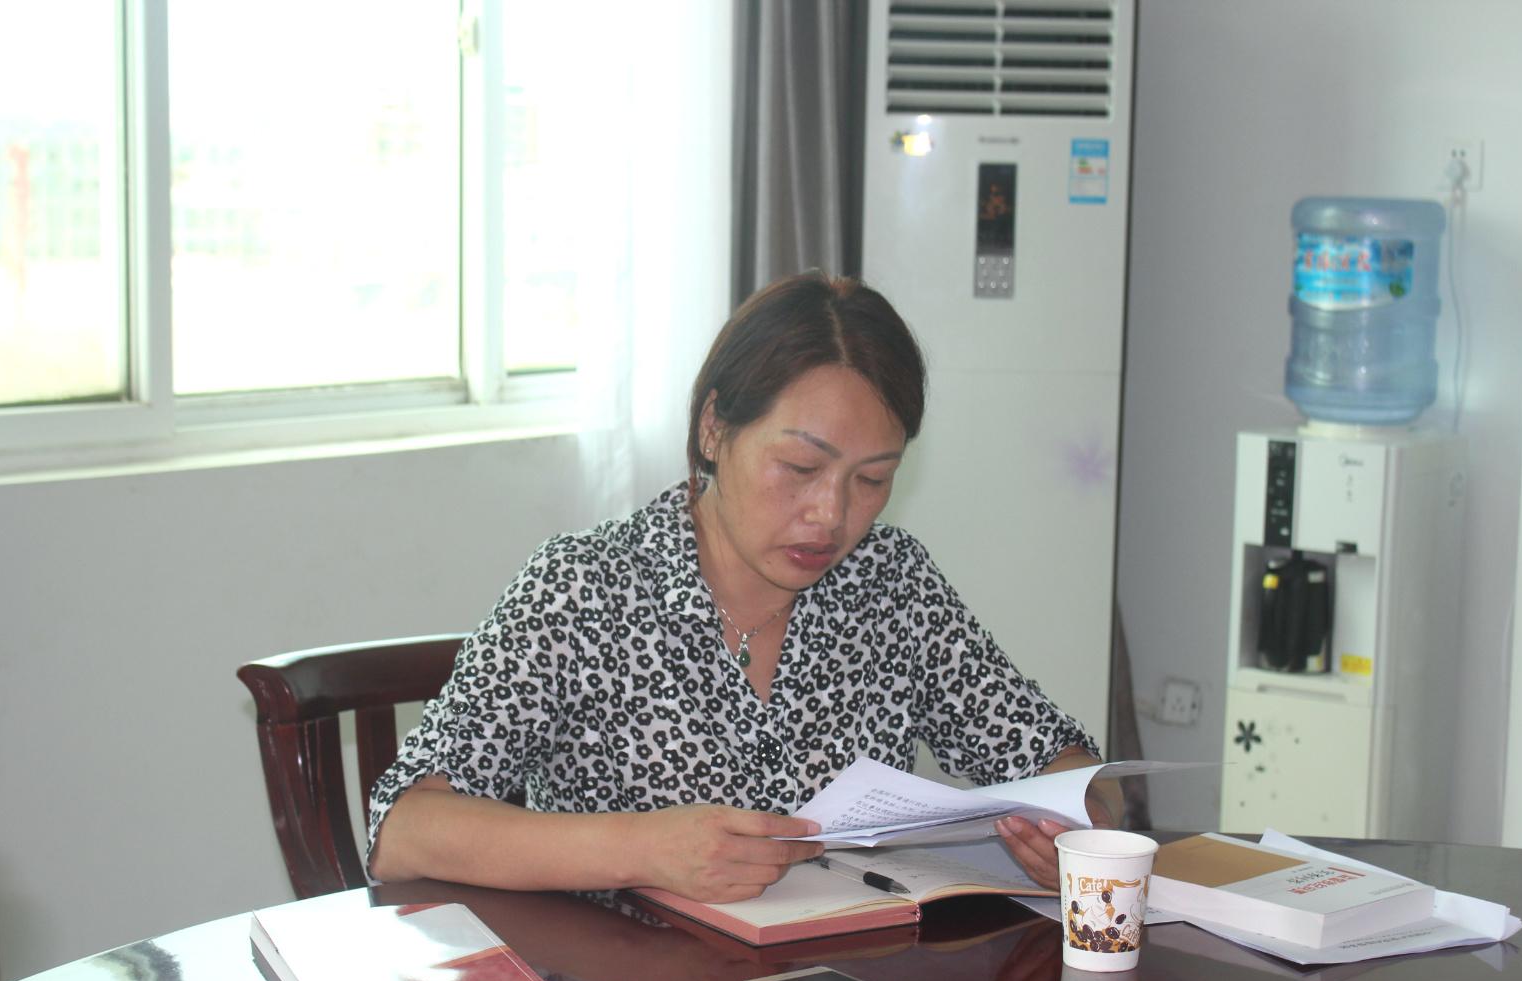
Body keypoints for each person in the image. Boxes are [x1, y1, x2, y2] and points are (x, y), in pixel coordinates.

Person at [368, 271, 1111, 902]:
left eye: (871, 480)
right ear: (714, 429)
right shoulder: (584, 589)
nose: (831, 515)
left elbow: (1061, 763)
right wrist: (644, 849)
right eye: (800, 468)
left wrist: (1077, 831)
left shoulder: (891, 586)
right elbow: (403, 830)